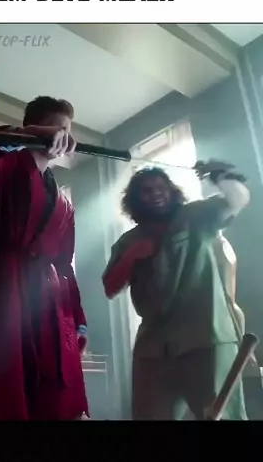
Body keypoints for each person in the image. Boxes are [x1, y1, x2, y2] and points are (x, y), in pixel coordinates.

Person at [0, 96, 89, 421]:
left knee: (53, 391)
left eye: (68, 130)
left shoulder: (65, 204)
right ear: (35, 127)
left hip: (49, 300)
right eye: (57, 128)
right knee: (1, 385)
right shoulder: (5, 165)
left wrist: (77, 318)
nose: (64, 137)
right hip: (3, 288)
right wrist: (25, 136)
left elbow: (65, 264)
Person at [102, 160, 250, 421]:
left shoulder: (195, 217)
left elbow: (237, 200)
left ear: (171, 191)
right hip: (154, 348)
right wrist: (132, 256)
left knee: (221, 415)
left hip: (206, 338)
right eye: (147, 190)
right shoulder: (129, 241)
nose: (156, 194)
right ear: (135, 200)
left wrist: (220, 175)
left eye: (161, 187)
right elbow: (111, 287)